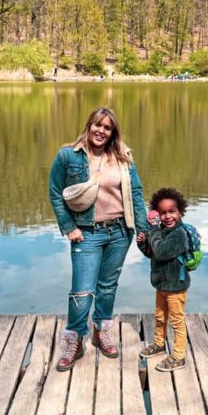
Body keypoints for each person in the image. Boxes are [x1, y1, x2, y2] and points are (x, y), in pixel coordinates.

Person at [49, 107, 147, 371]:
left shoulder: (123, 157)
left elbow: (136, 194)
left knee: (107, 286)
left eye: (107, 127)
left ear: (112, 132)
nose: (101, 131)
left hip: (119, 232)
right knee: (81, 290)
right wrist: (69, 226)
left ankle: (101, 330)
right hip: (87, 232)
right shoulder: (68, 155)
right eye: (97, 125)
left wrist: (143, 229)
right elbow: (55, 192)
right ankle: (75, 339)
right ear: (89, 125)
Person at [137, 187, 192, 372]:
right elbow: (152, 253)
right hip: (161, 285)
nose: (167, 216)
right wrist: (143, 242)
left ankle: (178, 355)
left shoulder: (179, 234)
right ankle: (159, 344)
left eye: (172, 211)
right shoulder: (161, 231)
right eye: (162, 213)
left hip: (176, 287)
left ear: (180, 212)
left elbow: (161, 252)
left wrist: (152, 230)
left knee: (177, 322)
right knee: (160, 317)